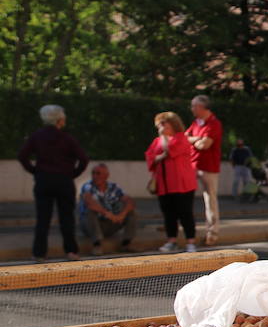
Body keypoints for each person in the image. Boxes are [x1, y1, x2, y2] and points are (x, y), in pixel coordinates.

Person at [17, 104, 89, 262]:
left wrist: (35, 171)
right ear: (60, 120)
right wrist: (72, 174)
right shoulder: (67, 138)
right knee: (67, 218)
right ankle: (71, 251)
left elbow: (23, 155)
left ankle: (39, 253)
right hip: (64, 181)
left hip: (43, 180)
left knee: (43, 218)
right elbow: (83, 159)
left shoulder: (37, 136)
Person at [146, 112, 198, 253]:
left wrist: (160, 153)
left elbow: (170, 150)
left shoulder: (181, 138)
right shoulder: (157, 141)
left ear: (173, 124)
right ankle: (171, 241)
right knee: (169, 215)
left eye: (163, 123)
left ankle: (191, 242)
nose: (160, 127)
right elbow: (150, 157)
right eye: (159, 125)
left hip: (182, 185)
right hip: (164, 185)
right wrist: (159, 156)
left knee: (185, 213)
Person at [185, 95, 222, 245]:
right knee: (186, 199)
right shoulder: (196, 122)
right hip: (193, 165)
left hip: (209, 167)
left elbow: (204, 145)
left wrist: (193, 139)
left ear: (202, 107)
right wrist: (196, 139)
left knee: (210, 201)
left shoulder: (214, 123)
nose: (192, 108)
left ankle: (212, 233)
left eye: (194, 106)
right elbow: (184, 138)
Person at [78, 163, 137, 255]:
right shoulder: (88, 186)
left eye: (98, 173)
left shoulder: (114, 187)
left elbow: (129, 201)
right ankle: (97, 245)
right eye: (93, 173)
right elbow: (89, 202)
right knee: (89, 211)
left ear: (106, 176)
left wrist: (122, 214)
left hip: (109, 223)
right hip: (91, 226)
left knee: (130, 212)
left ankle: (126, 244)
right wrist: (108, 214)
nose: (95, 176)